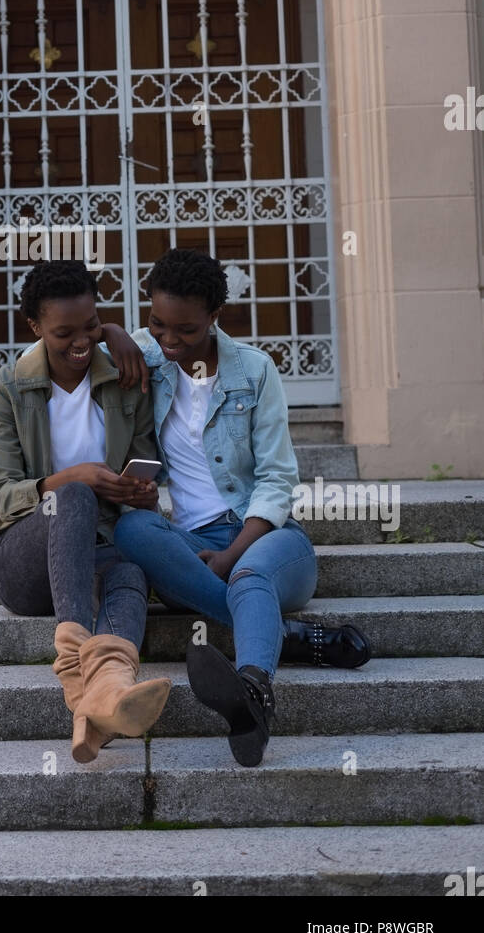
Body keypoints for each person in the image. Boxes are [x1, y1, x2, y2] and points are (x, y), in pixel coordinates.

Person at [103, 247, 370, 768]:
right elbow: (64, 343)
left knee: (249, 576)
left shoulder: (254, 370)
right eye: (157, 324)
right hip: (191, 542)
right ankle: (286, 638)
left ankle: (254, 690)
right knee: (133, 530)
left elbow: (277, 478)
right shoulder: (151, 354)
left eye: (185, 330)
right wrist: (112, 331)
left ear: (215, 318)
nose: (170, 341)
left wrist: (233, 554)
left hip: (267, 539)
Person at [0, 259, 171, 764]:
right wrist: (76, 478)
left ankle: (103, 695)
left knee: (130, 568)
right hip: (24, 563)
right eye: (63, 332)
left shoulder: (125, 377)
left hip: (99, 550)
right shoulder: (8, 388)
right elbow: (2, 495)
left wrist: (139, 492)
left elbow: (151, 455)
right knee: (72, 497)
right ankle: (73, 663)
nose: (81, 342)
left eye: (91, 326)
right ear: (35, 328)